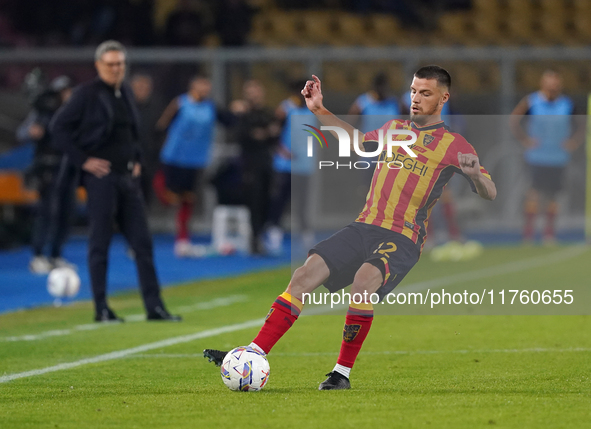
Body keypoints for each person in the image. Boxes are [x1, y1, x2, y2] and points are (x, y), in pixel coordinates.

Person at [204, 66, 496, 389]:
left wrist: (476, 176)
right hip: (364, 225)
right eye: (413, 91)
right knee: (302, 276)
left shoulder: (455, 145)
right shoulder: (395, 128)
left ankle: (341, 373)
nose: (415, 99)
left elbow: (490, 192)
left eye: (424, 93)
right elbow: (357, 142)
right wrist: (318, 109)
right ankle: (254, 353)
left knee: (362, 282)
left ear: (443, 98)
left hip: (403, 237)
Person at [50, 40, 181, 323]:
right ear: (98, 66)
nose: (115, 68)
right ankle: (101, 308)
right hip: (101, 180)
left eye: (119, 63)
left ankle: (155, 307)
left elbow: (131, 135)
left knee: (142, 244)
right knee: (100, 243)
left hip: (126, 179)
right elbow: (58, 128)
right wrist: (83, 160)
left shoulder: (125, 94)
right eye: (110, 64)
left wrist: (137, 162)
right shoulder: (86, 94)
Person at [156, 75, 235, 257]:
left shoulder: (211, 107)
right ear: (193, 86)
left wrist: (237, 111)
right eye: (202, 86)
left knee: (187, 199)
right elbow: (162, 125)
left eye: (207, 86)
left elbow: (229, 122)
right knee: (168, 196)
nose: (205, 90)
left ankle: (182, 239)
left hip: (195, 160)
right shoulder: (181, 103)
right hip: (173, 158)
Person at [510, 69, 583, 244]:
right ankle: (528, 233)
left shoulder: (567, 104)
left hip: (558, 157)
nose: (552, 88)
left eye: (555, 85)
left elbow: (581, 125)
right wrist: (525, 139)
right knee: (534, 193)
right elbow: (514, 119)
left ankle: (549, 233)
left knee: (553, 196)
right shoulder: (532, 101)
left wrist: (573, 142)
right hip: (536, 157)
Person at [18, 75, 77, 274]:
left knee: (66, 212)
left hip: (68, 167)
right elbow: (23, 132)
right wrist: (32, 132)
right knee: (47, 213)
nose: (67, 95)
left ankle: (56, 254)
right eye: (63, 91)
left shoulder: (75, 114)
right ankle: (38, 255)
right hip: (48, 168)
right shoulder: (43, 112)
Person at [266, 79, 315, 255]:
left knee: (302, 203)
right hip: (285, 165)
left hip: (305, 165)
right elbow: (271, 133)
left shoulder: (313, 109)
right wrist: (281, 150)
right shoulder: (285, 109)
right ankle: (273, 236)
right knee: (279, 201)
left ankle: (306, 239)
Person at [234, 80, 280, 255]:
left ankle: (263, 233)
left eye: (256, 91)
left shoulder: (268, 113)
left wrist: (263, 133)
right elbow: (245, 135)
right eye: (250, 92)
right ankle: (255, 238)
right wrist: (263, 133)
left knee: (268, 199)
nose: (253, 95)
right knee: (254, 200)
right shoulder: (242, 115)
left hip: (266, 162)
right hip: (249, 163)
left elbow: (273, 133)